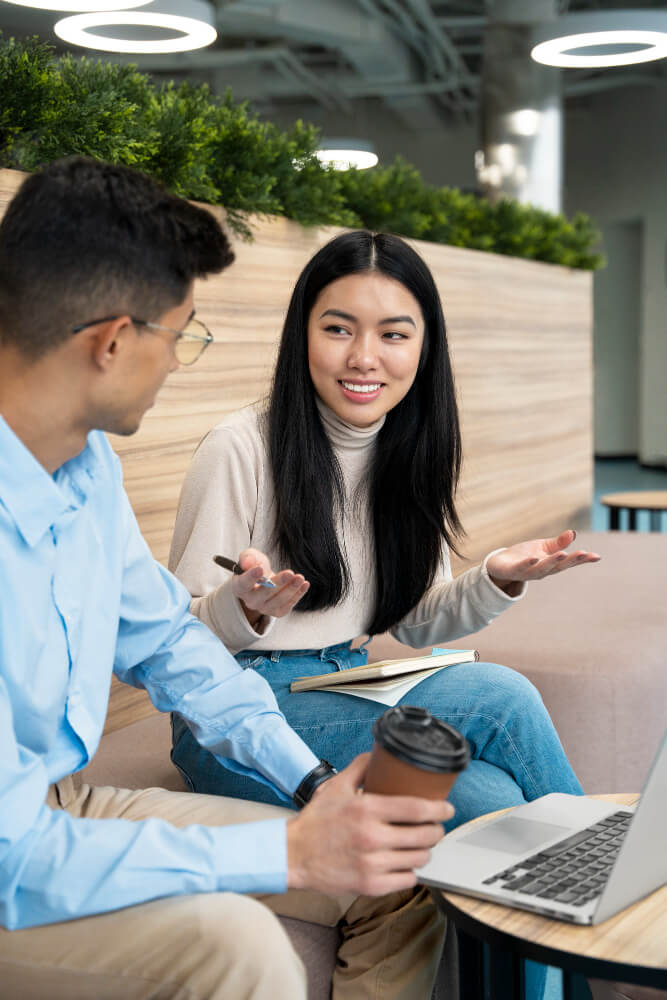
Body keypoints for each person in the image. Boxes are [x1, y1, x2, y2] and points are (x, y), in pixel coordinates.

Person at [0, 160, 455, 1000]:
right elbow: (10, 860)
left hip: (57, 803)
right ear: (111, 341)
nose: (178, 362)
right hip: (10, 852)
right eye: (180, 335)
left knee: (396, 877)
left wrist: (312, 784)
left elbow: (168, 642)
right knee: (234, 946)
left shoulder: (82, 463)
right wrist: (284, 850)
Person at [169, 228, 596, 830]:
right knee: (502, 697)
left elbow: (418, 621)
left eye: (393, 334)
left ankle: (586, 893)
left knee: (486, 799)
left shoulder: (409, 449)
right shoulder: (239, 447)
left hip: (349, 682)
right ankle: (609, 876)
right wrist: (238, 608)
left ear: (424, 348)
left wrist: (493, 580)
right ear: (303, 335)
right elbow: (174, 646)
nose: (364, 357)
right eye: (338, 329)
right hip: (235, 713)